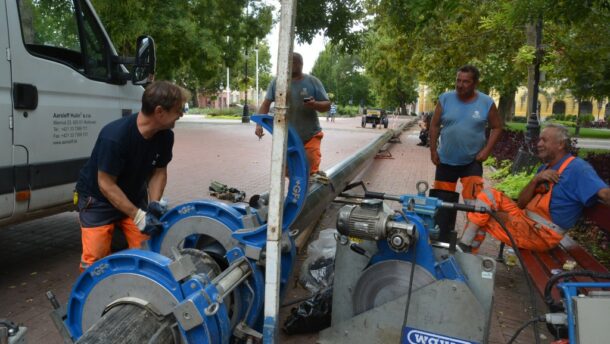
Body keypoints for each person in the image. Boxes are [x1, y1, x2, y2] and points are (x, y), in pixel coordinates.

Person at [75, 81, 190, 271]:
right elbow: (105, 184)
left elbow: (159, 172)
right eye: (178, 110)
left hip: (133, 196)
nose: (181, 114)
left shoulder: (165, 136)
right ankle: (92, 296)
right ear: (160, 112)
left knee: (147, 251)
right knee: (94, 262)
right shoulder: (115, 136)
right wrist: (137, 216)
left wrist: (153, 204)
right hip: (98, 201)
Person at [459, 124, 610, 253]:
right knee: (488, 196)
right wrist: (535, 180)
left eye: (544, 140)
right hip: (525, 220)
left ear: (561, 144)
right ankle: (466, 248)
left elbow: (604, 194)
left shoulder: (578, 168)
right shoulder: (545, 168)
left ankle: (465, 250)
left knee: (482, 215)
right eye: (539, 139)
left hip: (541, 233)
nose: (538, 144)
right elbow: (521, 204)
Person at [429, 65, 503, 205]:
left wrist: (487, 151)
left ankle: (470, 226)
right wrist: (433, 150)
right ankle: (444, 227)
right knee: (442, 205)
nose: (460, 85)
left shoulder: (486, 102)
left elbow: (497, 127)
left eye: (465, 81)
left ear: (475, 83)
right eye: (458, 80)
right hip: (445, 160)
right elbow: (434, 125)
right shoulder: (445, 99)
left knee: (473, 204)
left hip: (472, 161)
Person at [256, 52, 331, 175]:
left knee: (310, 167)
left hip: (310, 135)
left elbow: (327, 105)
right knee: (288, 171)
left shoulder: (312, 81)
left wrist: (315, 104)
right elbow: (266, 104)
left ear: (301, 64)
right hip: (287, 137)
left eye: (294, 62)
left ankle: (311, 190)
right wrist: (259, 125)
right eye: (289, 62)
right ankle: (297, 192)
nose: (290, 65)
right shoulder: (277, 82)